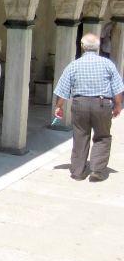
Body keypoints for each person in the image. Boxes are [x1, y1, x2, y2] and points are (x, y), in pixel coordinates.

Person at [53, 33, 124, 182]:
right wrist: (118, 105)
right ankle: (97, 170)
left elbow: (62, 89)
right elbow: (117, 88)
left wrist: (58, 107)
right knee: (102, 136)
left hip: (80, 104)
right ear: (98, 47)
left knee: (80, 136)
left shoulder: (74, 65)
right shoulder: (107, 64)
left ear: (82, 47)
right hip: (102, 103)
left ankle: (78, 172)